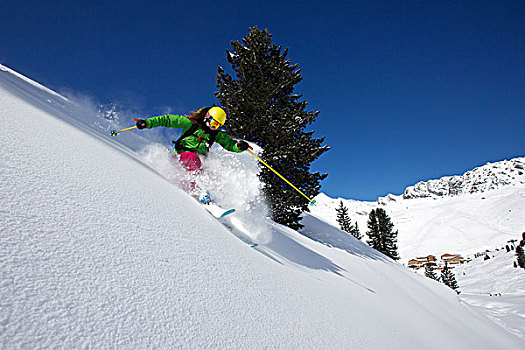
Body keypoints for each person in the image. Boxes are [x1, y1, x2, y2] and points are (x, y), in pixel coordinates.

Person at [135, 106, 249, 204]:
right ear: (207, 117)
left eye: (218, 126)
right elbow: (167, 120)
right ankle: (202, 194)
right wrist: (147, 123)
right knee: (193, 158)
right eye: (214, 123)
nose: (214, 127)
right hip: (181, 158)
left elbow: (229, 143)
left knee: (212, 171)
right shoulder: (191, 124)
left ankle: (215, 199)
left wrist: (238, 147)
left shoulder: (215, 134)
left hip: (197, 164)